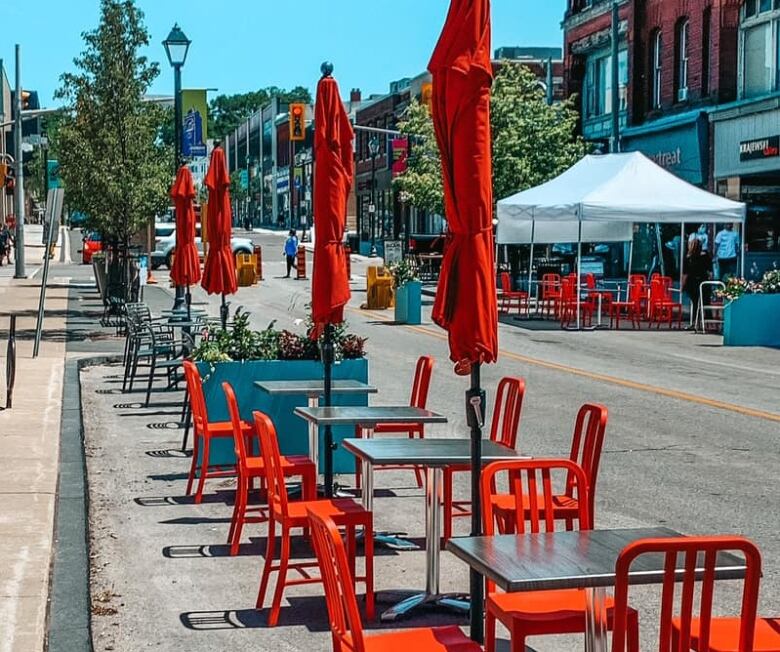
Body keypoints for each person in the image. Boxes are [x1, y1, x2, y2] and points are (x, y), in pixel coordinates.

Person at [683, 237, 712, 331]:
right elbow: (709, 271)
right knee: (705, 302)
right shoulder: (705, 256)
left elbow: (685, 274)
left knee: (695, 303)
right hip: (703, 282)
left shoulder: (689, 258)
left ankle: (695, 322)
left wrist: (682, 286)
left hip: (692, 283)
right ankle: (708, 322)